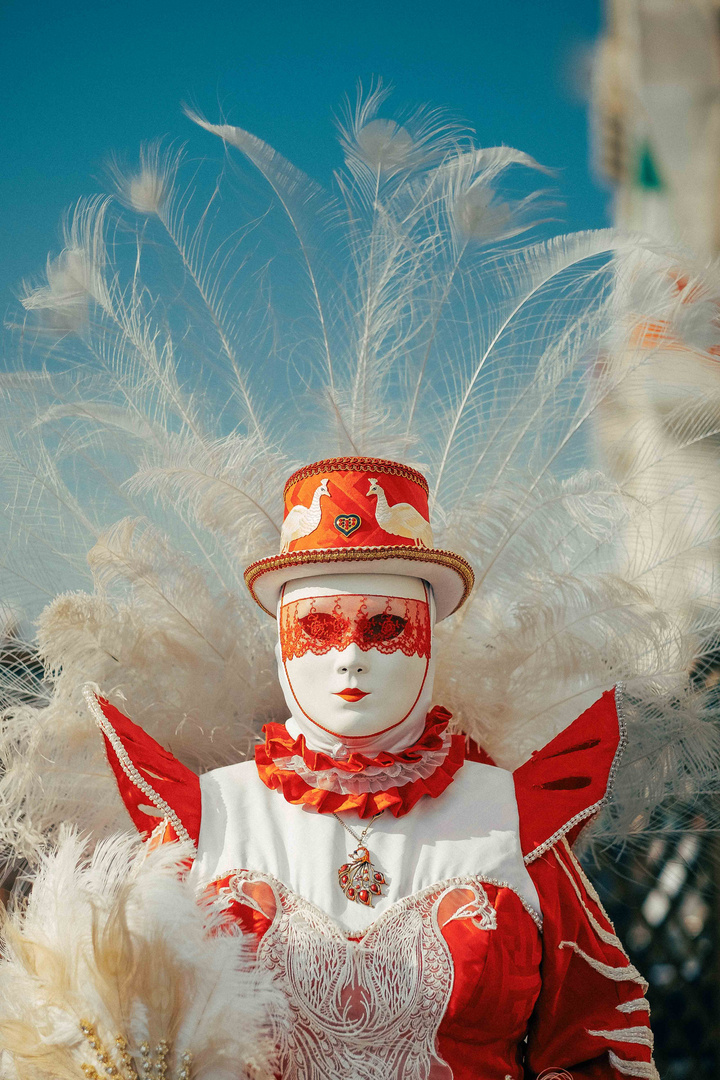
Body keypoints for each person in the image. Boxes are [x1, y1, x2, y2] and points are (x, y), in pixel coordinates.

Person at [85, 456, 655, 1080]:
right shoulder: (206, 823)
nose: (350, 657)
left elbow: (593, 1040)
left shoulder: (514, 823)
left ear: (431, 640)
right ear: (280, 640)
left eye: (386, 627)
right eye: (318, 628)